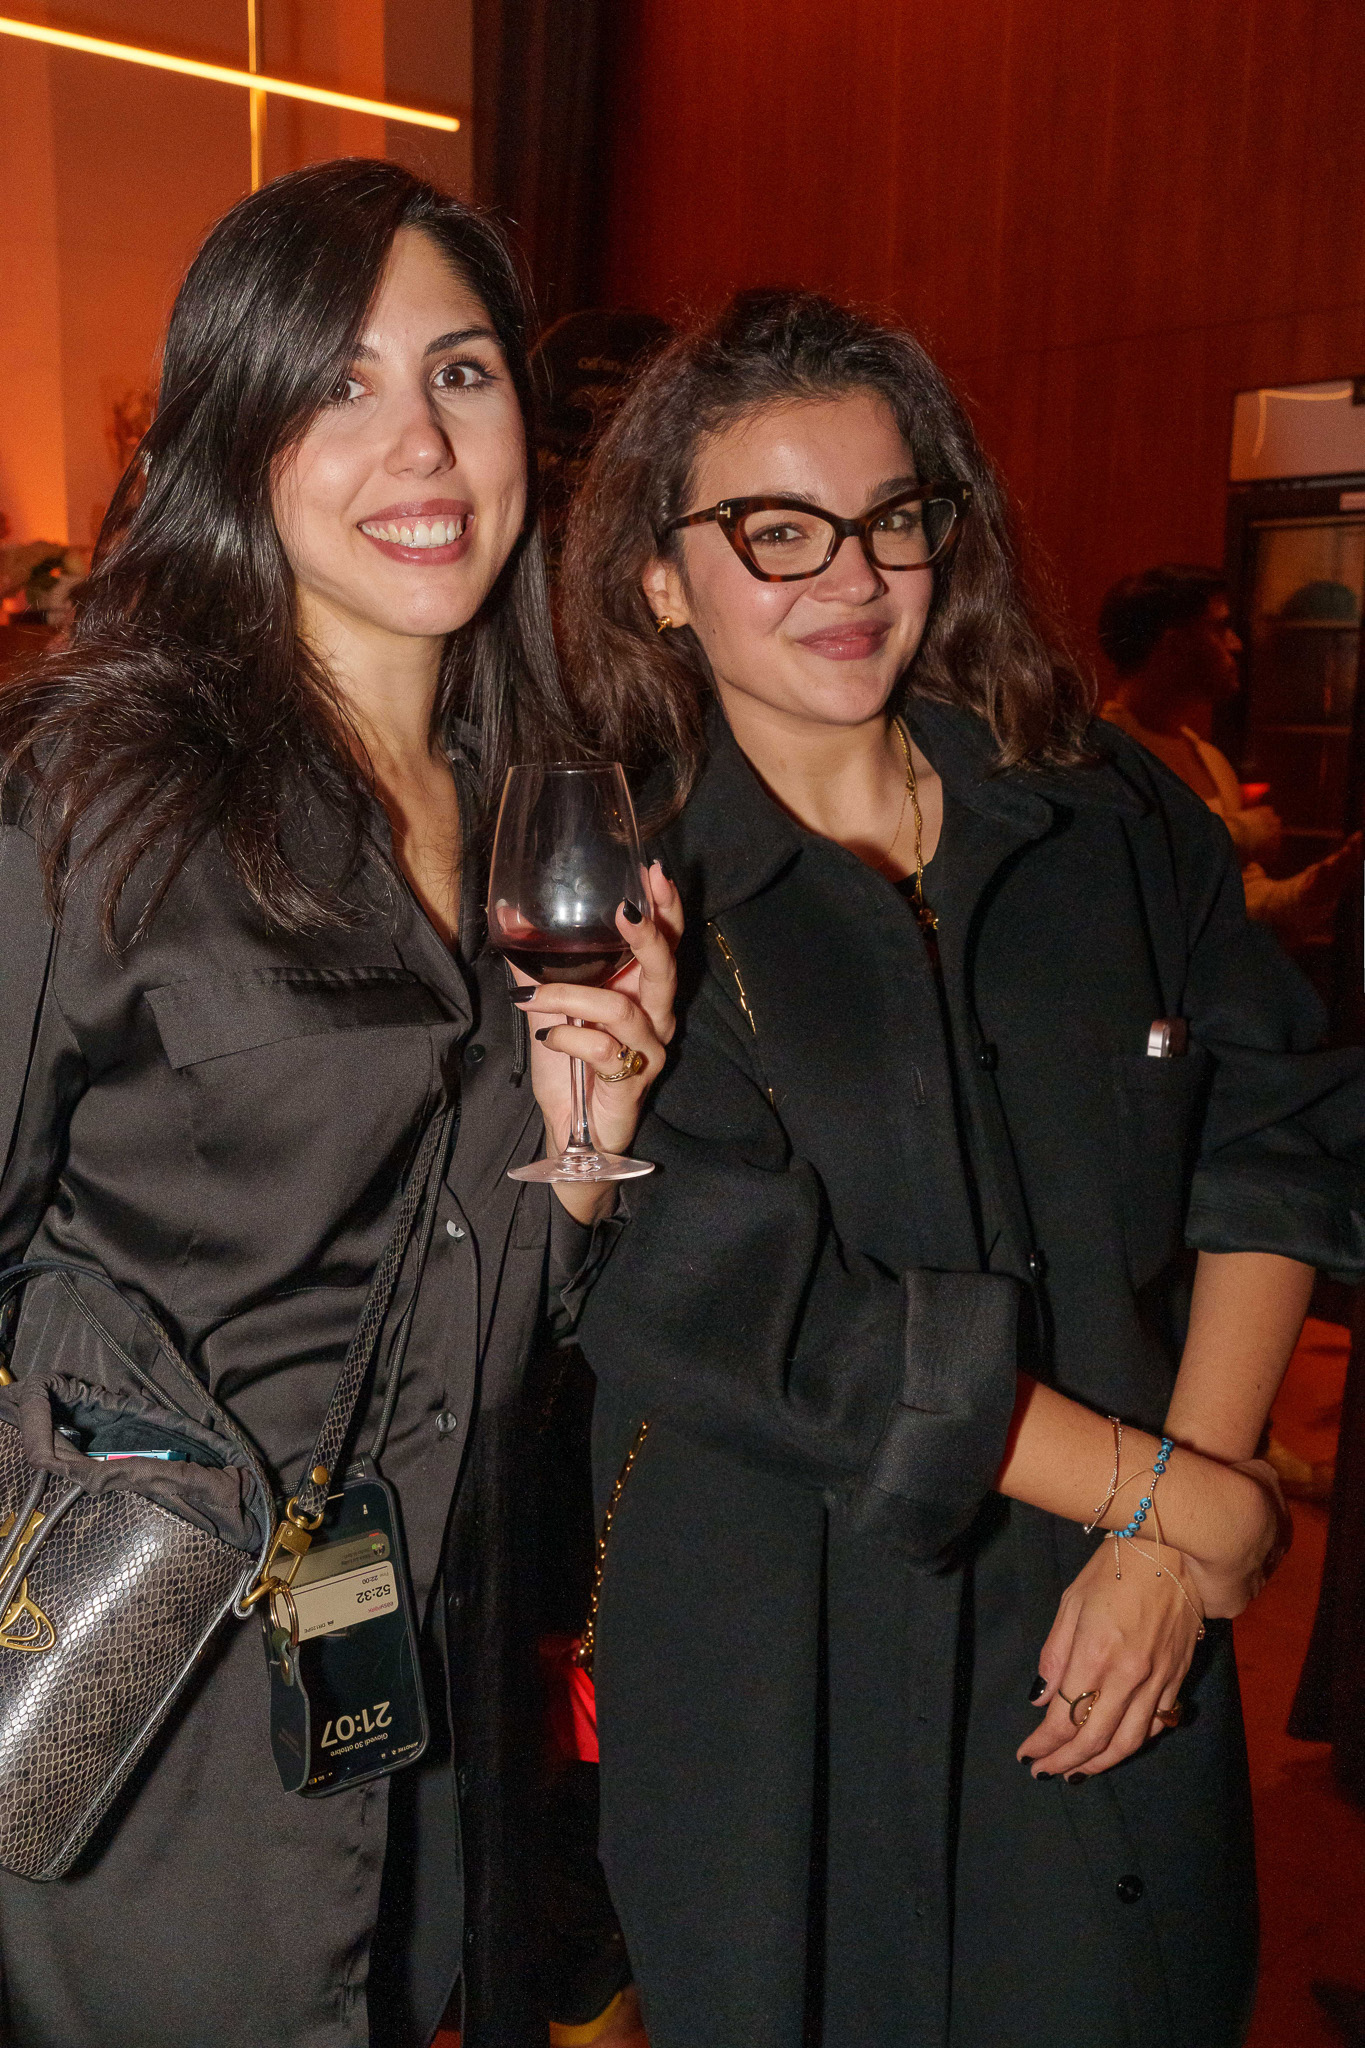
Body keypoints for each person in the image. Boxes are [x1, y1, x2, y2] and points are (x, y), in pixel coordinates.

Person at [554, 290, 1365, 2048]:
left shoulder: (1106, 813)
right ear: (661, 578)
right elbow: (736, 1304)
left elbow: (1273, 1136)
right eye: (776, 532)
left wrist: (1173, 1524)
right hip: (786, 1652)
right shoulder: (616, 895)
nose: (850, 577)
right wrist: (1179, 1503)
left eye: (891, 517)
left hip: (1121, 1607)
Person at [0, 161, 677, 2048]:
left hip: (403, 1687)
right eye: (338, 383)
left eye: (460, 373)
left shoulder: (547, 811)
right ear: (238, 435)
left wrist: (586, 1141)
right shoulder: (95, 801)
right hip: (124, 1704)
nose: (422, 444)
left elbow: (494, 1325)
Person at [1097, 564, 1362, 942]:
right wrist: (1237, 835)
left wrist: (1314, 887)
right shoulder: (1099, 757)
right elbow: (1122, 880)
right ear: (1174, 646)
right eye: (1220, 628)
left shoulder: (1209, 759)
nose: (1236, 644)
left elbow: (1242, 900)